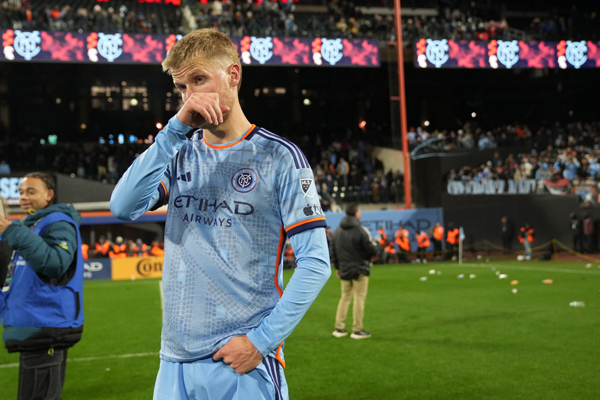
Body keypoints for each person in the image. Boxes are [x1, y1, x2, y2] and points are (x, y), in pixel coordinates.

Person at [110, 29, 330, 400]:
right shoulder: (179, 152)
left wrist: (260, 342)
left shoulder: (280, 157)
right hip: (173, 363)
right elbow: (123, 207)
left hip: (241, 363)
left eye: (198, 80)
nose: (190, 96)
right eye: (181, 87)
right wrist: (174, 130)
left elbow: (315, 263)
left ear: (232, 75)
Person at [0, 172, 84, 400]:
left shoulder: (58, 222)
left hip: (45, 322)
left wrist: (10, 231)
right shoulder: (31, 225)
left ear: (49, 194)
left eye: (30, 191)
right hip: (33, 322)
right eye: (20, 192)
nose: (23, 196)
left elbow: (56, 263)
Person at [330, 203, 379, 340]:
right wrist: (378, 244)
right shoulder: (361, 230)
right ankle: (357, 330)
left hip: (344, 269)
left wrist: (338, 268)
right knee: (359, 298)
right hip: (359, 270)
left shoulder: (337, 231)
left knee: (345, 297)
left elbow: (333, 252)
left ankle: (339, 328)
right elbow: (371, 250)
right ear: (356, 213)